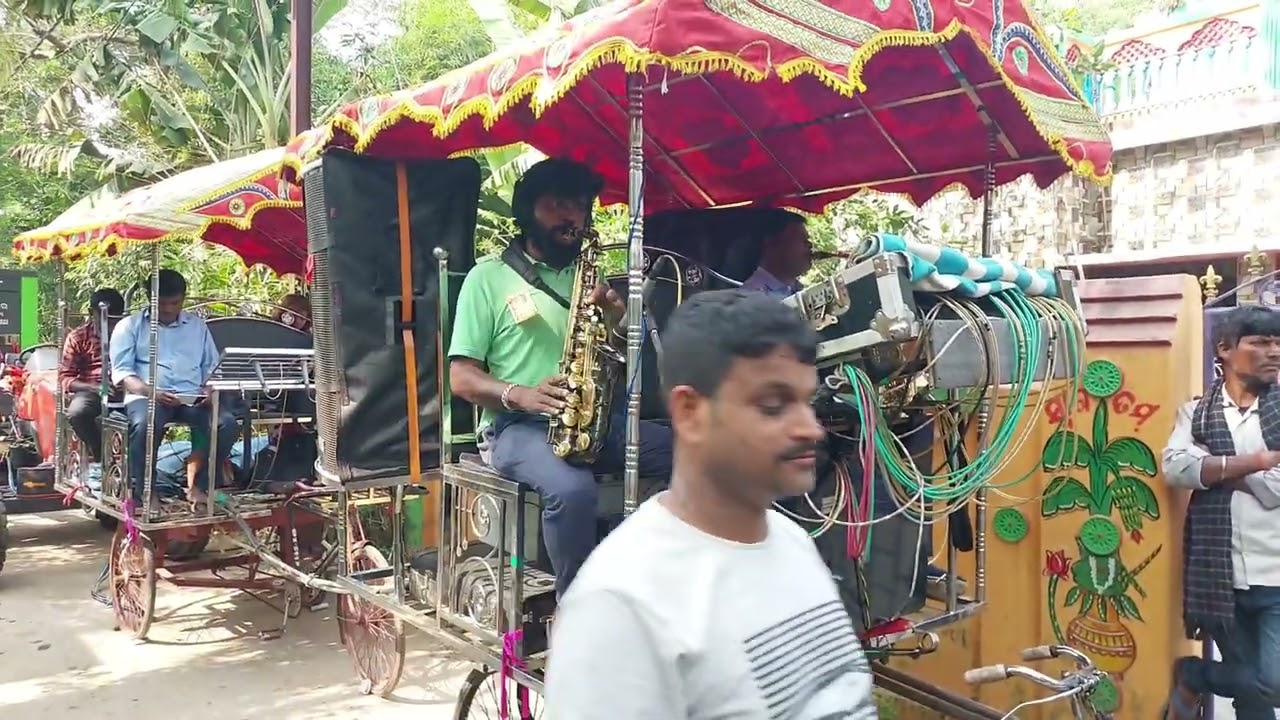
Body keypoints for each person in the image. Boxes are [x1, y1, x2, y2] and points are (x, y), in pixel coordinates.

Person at [544, 289, 876, 718]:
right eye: (774, 406)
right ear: (690, 411)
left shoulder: (791, 540)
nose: (809, 429)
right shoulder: (622, 606)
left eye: (806, 402)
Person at [449, 157, 673, 598]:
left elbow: (626, 359)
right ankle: (578, 608)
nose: (571, 215)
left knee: (691, 453)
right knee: (572, 491)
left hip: (589, 422)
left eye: (579, 206)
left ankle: (654, 577)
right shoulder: (487, 279)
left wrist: (617, 317)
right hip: (513, 426)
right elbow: (462, 377)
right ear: (527, 210)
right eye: (557, 204)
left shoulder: (589, 277)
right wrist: (521, 395)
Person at [1161, 304, 1280, 720]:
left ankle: (1195, 674)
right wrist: (1258, 461)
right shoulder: (1196, 413)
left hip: (1276, 574)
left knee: (1273, 682)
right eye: (1262, 342)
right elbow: (1176, 468)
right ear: (1226, 349)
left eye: (1278, 343)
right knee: (1253, 697)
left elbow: (1276, 491)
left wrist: (1214, 467)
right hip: (1220, 575)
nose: (1274, 351)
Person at [109, 269, 238, 511]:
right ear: (150, 299)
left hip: (191, 398)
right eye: (162, 303)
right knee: (146, 423)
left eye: (174, 303)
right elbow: (123, 373)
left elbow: (211, 367)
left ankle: (200, 487)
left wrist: (209, 390)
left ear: (184, 299)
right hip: (147, 396)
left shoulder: (197, 327)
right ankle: (145, 492)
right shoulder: (130, 326)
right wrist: (152, 392)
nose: (168, 309)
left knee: (227, 423)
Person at [59, 287, 125, 485]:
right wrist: (94, 388)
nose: (109, 325)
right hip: (92, 389)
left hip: (128, 389)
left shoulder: (129, 333)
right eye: (103, 318)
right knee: (77, 413)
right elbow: (64, 378)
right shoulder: (78, 337)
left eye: (114, 319)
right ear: (91, 313)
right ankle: (102, 457)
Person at [741, 209, 813, 298]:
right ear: (771, 241)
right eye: (802, 239)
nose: (810, 245)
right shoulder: (751, 297)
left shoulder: (798, 290)